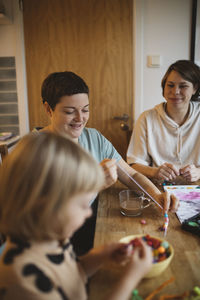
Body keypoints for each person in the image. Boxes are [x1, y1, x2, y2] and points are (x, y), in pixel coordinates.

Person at [36, 71, 179, 255]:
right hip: (57, 245)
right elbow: (50, 224)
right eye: (70, 112)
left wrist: (157, 196)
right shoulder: (32, 152)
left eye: (85, 109)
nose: (80, 119)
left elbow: (132, 175)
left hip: (93, 227)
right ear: (48, 109)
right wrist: (94, 184)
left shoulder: (94, 138)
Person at [0, 132, 153, 300]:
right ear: (46, 207)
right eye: (82, 205)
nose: (88, 212)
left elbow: (73, 275)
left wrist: (101, 255)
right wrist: (130, 280)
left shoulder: (49, 238)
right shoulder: (23, 280)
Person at [127, 60, 200, 184]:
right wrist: (154, 172)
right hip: (158, 187)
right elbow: (134, 164)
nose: (175, 91)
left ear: (195, 88)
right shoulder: (146, 118)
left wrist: (198, 172)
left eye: (183, 86)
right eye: (170, 85)